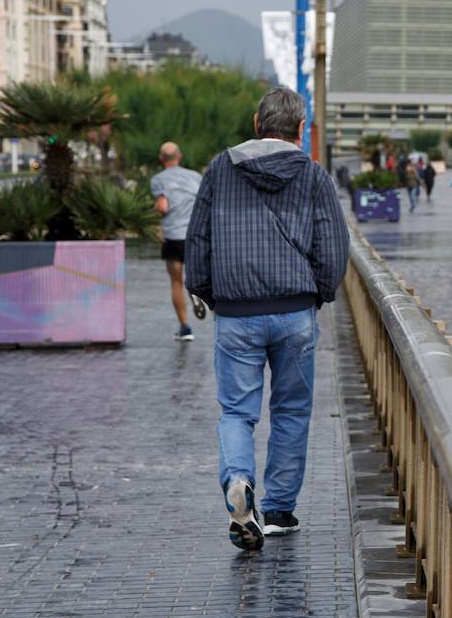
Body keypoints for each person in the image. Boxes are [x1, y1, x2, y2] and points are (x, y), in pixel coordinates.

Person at [184, 86, 350, 551]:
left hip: (236, 312)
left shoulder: (221, 168)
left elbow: (198, 236)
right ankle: (277, 511)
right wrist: (320, 291)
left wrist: (206, 291)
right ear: (301, 129)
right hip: (296, 310)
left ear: (257, 124)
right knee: (292, 410)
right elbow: (333, 243)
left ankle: (239, 481)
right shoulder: (313, 176)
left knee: (237, 411)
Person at [150, 142, 204, 341]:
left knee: (176, 282)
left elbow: (163, 207)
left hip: (173, 237)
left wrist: (155, 208)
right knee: (198, 276)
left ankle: (185, 328)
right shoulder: (195, 177)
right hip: (195, 235)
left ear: (161, 159)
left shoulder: (158, 180)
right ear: (179, 156)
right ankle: (197, 293)